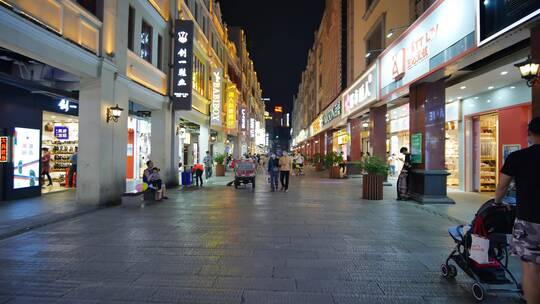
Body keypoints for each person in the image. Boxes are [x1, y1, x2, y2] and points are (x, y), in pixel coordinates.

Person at [495, 117, 540, 304]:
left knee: (531, 267)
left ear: (529, 133)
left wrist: (497, 202)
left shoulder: (518, 157)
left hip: (529, 219)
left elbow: (502, 186)